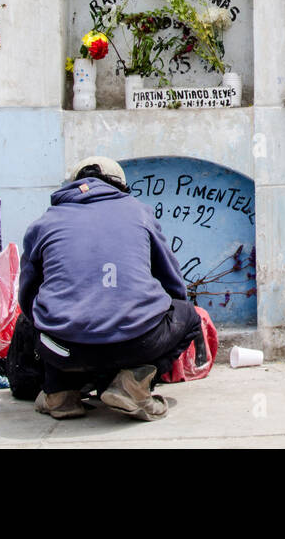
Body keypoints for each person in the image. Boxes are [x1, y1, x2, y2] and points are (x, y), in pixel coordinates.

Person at [18, 157, 205, 421]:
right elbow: (173, 282)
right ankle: (132, 384)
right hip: (137, 343)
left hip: (62, 350)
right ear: (120, 186)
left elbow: (27, 295)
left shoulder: (45, 222)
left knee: (43, 318)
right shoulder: (139, 212)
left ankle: (59, 393)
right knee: (188, 315)